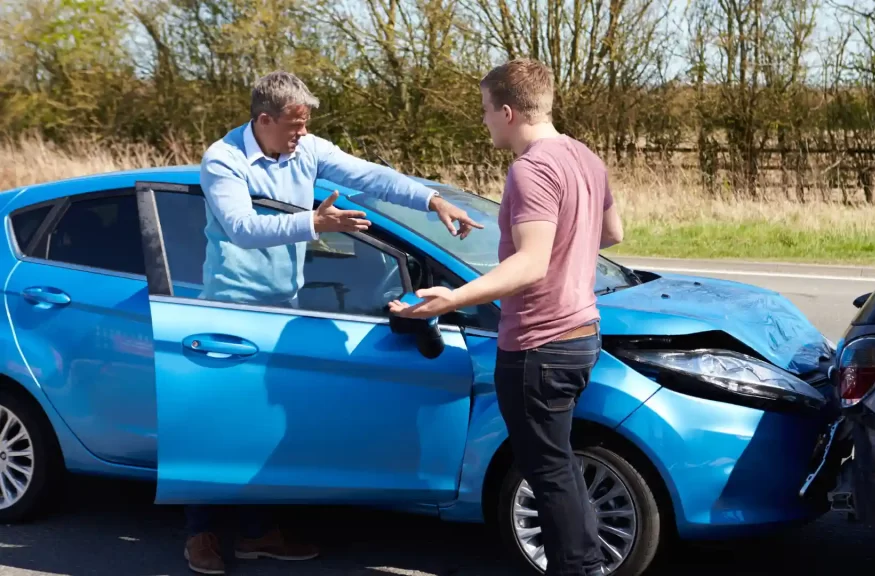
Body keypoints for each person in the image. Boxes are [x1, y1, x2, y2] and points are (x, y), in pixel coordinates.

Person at [183, 70, 482, 575]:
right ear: (264, 120)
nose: (302, 134)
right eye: (295, 125)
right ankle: (200, 532)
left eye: (305, 125)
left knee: (270, 422)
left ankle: (257, 532)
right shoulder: (223, 160)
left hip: (285, 305)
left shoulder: (307, 149)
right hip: (231, 309)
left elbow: (369, 175)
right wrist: (315, 223)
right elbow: (242, 228)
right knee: (221, 423)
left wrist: (432, 201)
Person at [389, 58, 623, 576]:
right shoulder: (585, 157)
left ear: (510, 111)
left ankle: (577, 569)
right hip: (583, 331)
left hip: (539, 342)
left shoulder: (530, 168)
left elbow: (530, 263)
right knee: (557, 464)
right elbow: (611, 234)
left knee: (549, 470)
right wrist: (566, 240)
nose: (485, 121)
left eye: (486, 111)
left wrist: (451, 298)